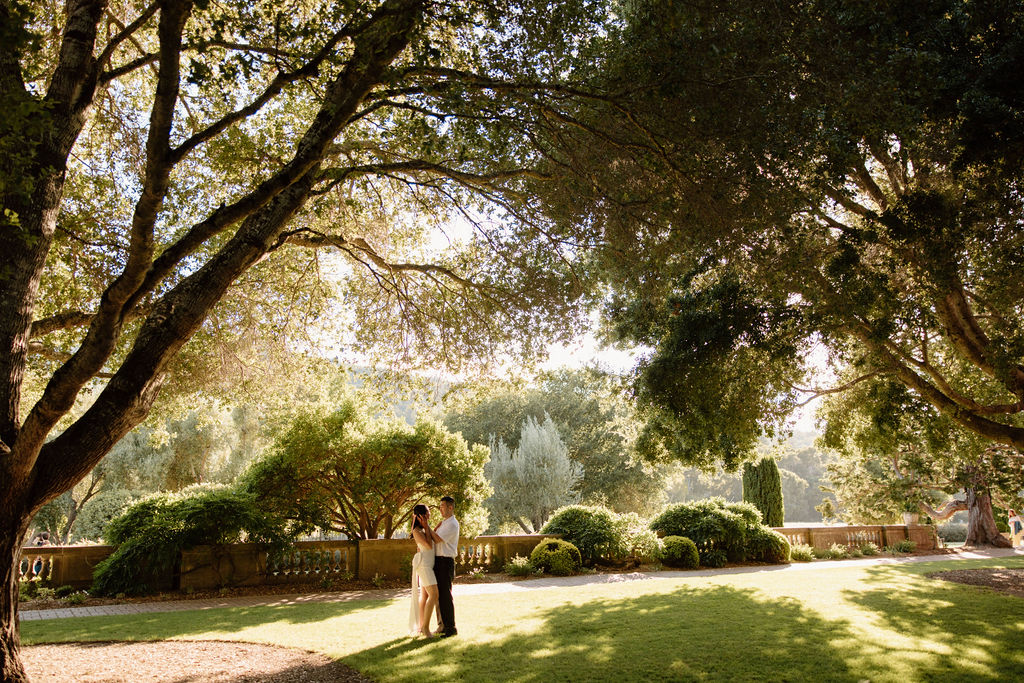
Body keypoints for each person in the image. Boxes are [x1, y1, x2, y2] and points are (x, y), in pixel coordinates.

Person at [421, 495, 459, 637]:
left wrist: (427, 527)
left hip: (445, 562)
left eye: (442, 506)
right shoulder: (444, 523)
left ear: (450, 507)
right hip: (438, 561)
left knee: (445, 596)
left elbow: (436, 539)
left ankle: (451, 628)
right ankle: (441, 625)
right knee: (437, 596)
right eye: (440, 506)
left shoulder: (452, 524)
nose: (440, 509)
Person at [408, 504, 438, 637]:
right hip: (424, 567)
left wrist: (428, 528)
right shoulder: (417, 531)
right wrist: (426, 528)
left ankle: (421, 626)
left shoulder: (423, 530)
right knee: (434, 595)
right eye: (427, 513)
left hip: (428, 565)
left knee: (425, 596)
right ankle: (425, 628)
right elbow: (428, 546)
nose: (429, 515)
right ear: (421, 516)